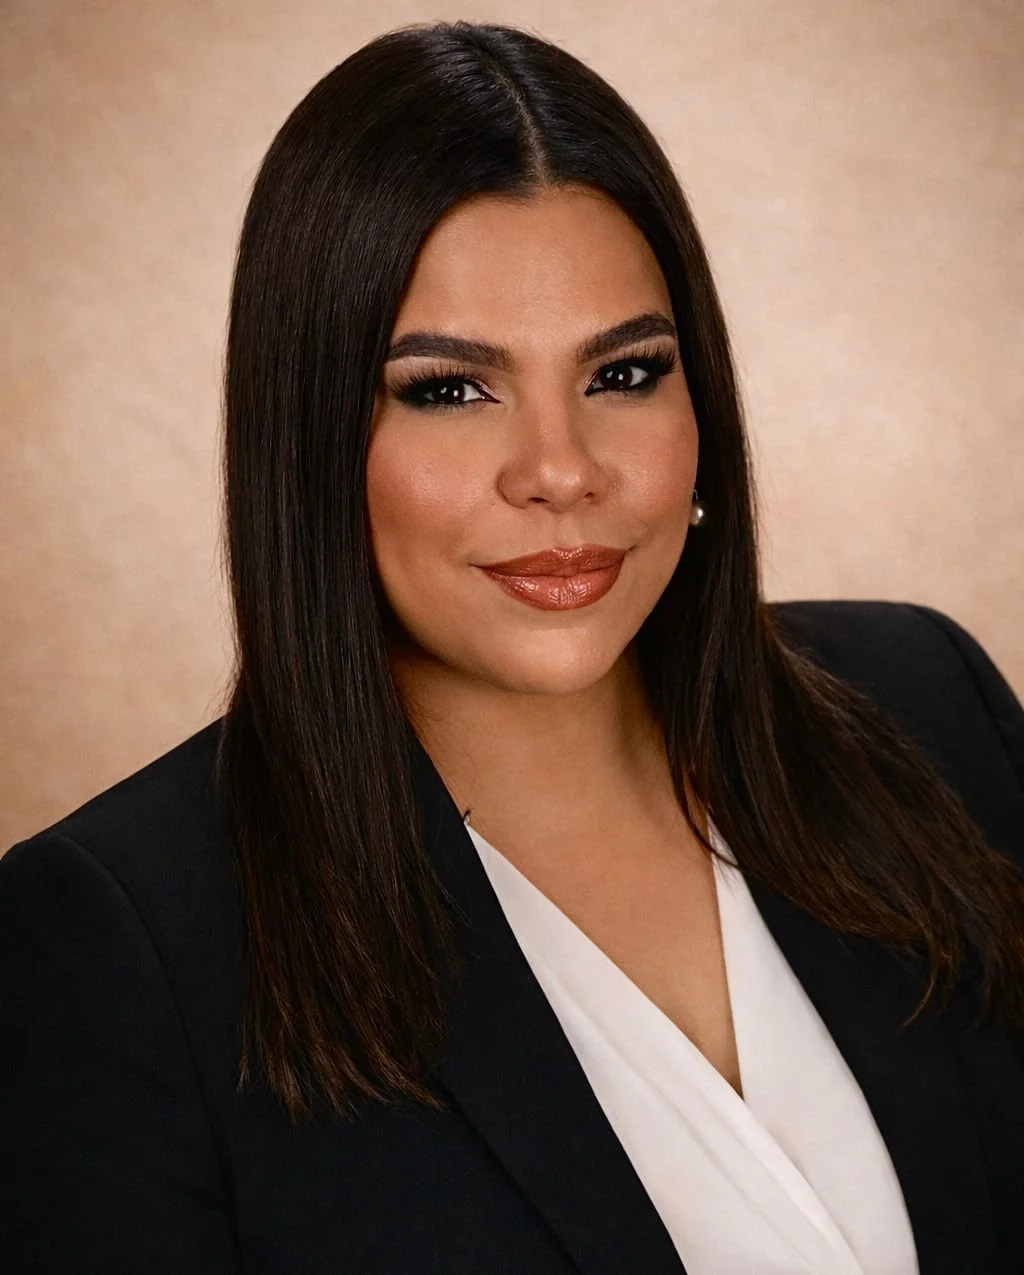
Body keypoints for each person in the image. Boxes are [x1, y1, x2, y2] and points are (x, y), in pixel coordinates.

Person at [1, 18, 1022, 1275]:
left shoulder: (931, 708)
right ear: (312, 436)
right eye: (448, 388)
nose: (560, 473)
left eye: (625, 374)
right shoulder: (120, 946)